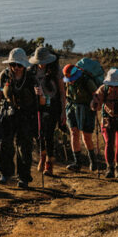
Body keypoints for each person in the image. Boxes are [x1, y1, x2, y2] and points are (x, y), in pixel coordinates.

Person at [0, 48, 44, 188]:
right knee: (4, 144)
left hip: (27, 116)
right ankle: (5, 173)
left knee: (24, 147)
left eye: (19, 65)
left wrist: (40, 94)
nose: (16, 68)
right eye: (12, 64)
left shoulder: (31, 77)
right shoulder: (4, 75)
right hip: (8, 114)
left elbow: (42, 102)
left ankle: (24, 177)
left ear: (24, 65)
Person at [29, 47, 66, 177]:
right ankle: (42, 155)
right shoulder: (31, 72)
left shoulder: (56, 71)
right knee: (38, 134)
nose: (42, 63)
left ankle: (49, 163)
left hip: (53, 106)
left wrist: (63, 112)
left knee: (48, 134)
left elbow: (62, 93)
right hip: (36, 107)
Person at [62, 63, 101, 172]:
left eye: (72, 78)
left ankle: (93, 161)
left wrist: (95, 104)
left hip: (86, 110)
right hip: (72, 108)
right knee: (74, 133)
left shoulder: (86, 80)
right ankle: (77, 163)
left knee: (86, 136)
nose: (70, 81)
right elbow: (66, 95)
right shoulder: (68, 82)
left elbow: (95, 94)